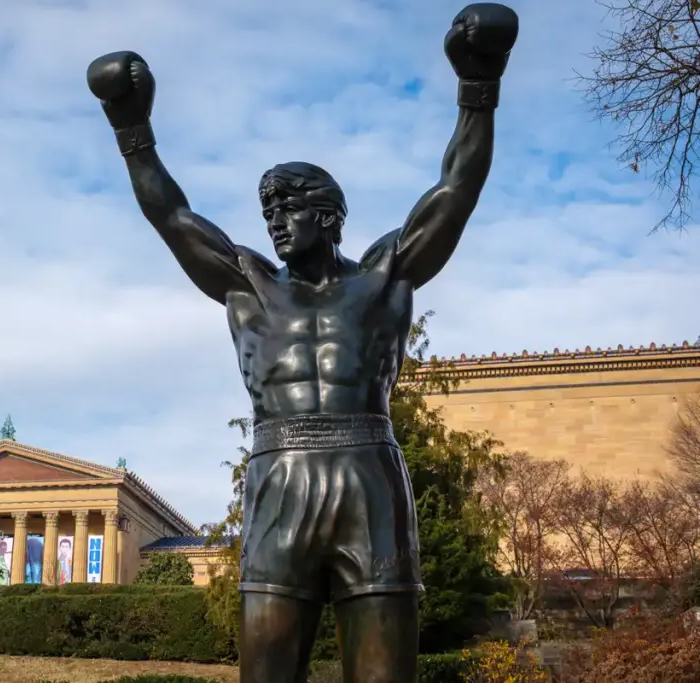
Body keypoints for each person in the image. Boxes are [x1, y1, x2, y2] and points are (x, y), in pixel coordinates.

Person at [86, 5, 518, 682]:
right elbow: (170, 215)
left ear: (329, 214)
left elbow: (456, 189)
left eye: (288, 209)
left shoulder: (384, 276)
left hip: (368, 474)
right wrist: (131, 127)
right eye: (268, 213)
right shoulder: (248, 285)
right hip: (280, 477)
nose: (276, 223)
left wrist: (479, 84)